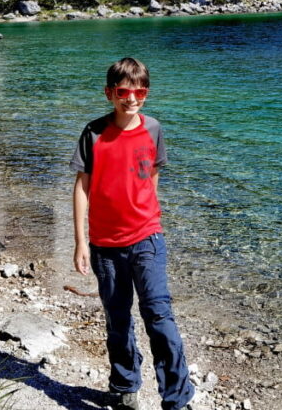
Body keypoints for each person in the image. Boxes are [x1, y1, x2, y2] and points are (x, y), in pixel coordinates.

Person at [71, 57, 195, 410]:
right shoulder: (93, 132)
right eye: (124, 91)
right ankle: (125, 386)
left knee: (159, 316)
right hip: (105, 246)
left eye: (139, 91)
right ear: (110, 93)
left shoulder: (154, 129)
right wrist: (81, 241)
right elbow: (82, 188)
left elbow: (150, 179)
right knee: (118, 318)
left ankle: (177, 398)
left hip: (147, 239)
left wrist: (148, 217)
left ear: (146, 93)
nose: (132, 98)